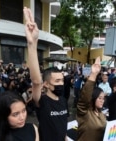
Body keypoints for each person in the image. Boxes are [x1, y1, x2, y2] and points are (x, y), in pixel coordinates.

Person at [24, 7, 68, 141]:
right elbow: (36, 82)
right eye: (57, 81)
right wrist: (32, 44)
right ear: (46, 84)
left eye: (62, 80)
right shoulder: (42, 101)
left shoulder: (63, 100)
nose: (61, 84)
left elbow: (61, 125)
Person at [76, 57, 106, 141]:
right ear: (93, 98)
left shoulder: (101, 113)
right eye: (99, 98)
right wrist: (93, 74)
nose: (102, 100)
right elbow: (85, 98)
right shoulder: (85, 112)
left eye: (103, 98)